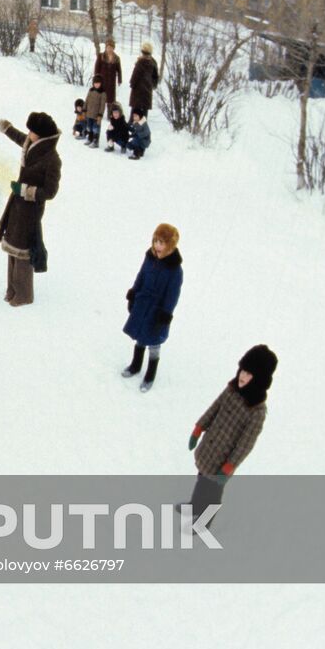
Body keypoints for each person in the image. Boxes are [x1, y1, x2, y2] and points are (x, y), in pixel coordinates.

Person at [186, 345, 277, 521]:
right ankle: (194, 506)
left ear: (259, 380)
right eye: (243, 370)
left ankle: (205, 521)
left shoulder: (256, 412)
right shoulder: (231, 389)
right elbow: (214, 408)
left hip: (222, 462)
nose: (242, 376)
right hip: (208, 449)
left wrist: (229, 466)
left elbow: (245, 444)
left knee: (212, 493)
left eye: (249, 374)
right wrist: (198, 429)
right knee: (201, 480)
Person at [0, 112, 61, 306]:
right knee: (12, 244)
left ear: (41, 135)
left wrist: (26, 190)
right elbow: (17, 136)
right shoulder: (32, 144)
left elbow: (50, 192)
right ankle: (12, 289)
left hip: (31, 210)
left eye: (32, 131)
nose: (29, 133)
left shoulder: (52, 159)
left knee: (23, 251)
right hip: (17, 204)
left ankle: (24, 295)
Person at [121, 223, 183, 392]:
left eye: (161, 243)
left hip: (157, 310)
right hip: (143, 304)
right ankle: (135, 365)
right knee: (140, 335)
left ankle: (150, 374)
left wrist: (165, 314)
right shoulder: (149, 258)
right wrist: (134, 293)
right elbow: (141, 276)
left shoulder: (175, 270)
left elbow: (172, 295)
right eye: (155, 241)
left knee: (154, 342)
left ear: (170, 246)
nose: (157, 246)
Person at [93, 39, 123, 121]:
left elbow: (119, 70)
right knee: (100, 98)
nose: (109, 49)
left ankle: (110, 115)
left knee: (110, 100)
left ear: (113, 48)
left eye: (111, 47)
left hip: (111, 82)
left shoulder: (116, 58)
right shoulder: (101, 56)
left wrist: (119, 79)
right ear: (106, 47)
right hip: (102, 81)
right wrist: (96, 78)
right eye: (108, 47)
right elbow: (97, 68)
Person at [129, 42, 160, 115]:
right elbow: (155, 77)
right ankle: (143, 125)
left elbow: (135, 75)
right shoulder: (153, 62)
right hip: (147, 91)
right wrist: (152, 85)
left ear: (142, 51)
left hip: (137, 91)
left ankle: (133, 126)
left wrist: (132, 84)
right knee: (144, 114)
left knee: (134, 114)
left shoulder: (140, 62)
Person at [83, 74, 107, 147]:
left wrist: (100, 115)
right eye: (95, 83)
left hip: (96, 115)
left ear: (101, 83)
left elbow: (102, 105)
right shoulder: (91, 90)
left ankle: (95, 141)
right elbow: (87, 100)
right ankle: (90, 139)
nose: (96, 85)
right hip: (89, 113)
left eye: (98, 83)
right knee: (89, 127)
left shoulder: (102, 93)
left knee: (95, 128)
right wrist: (84, 109)